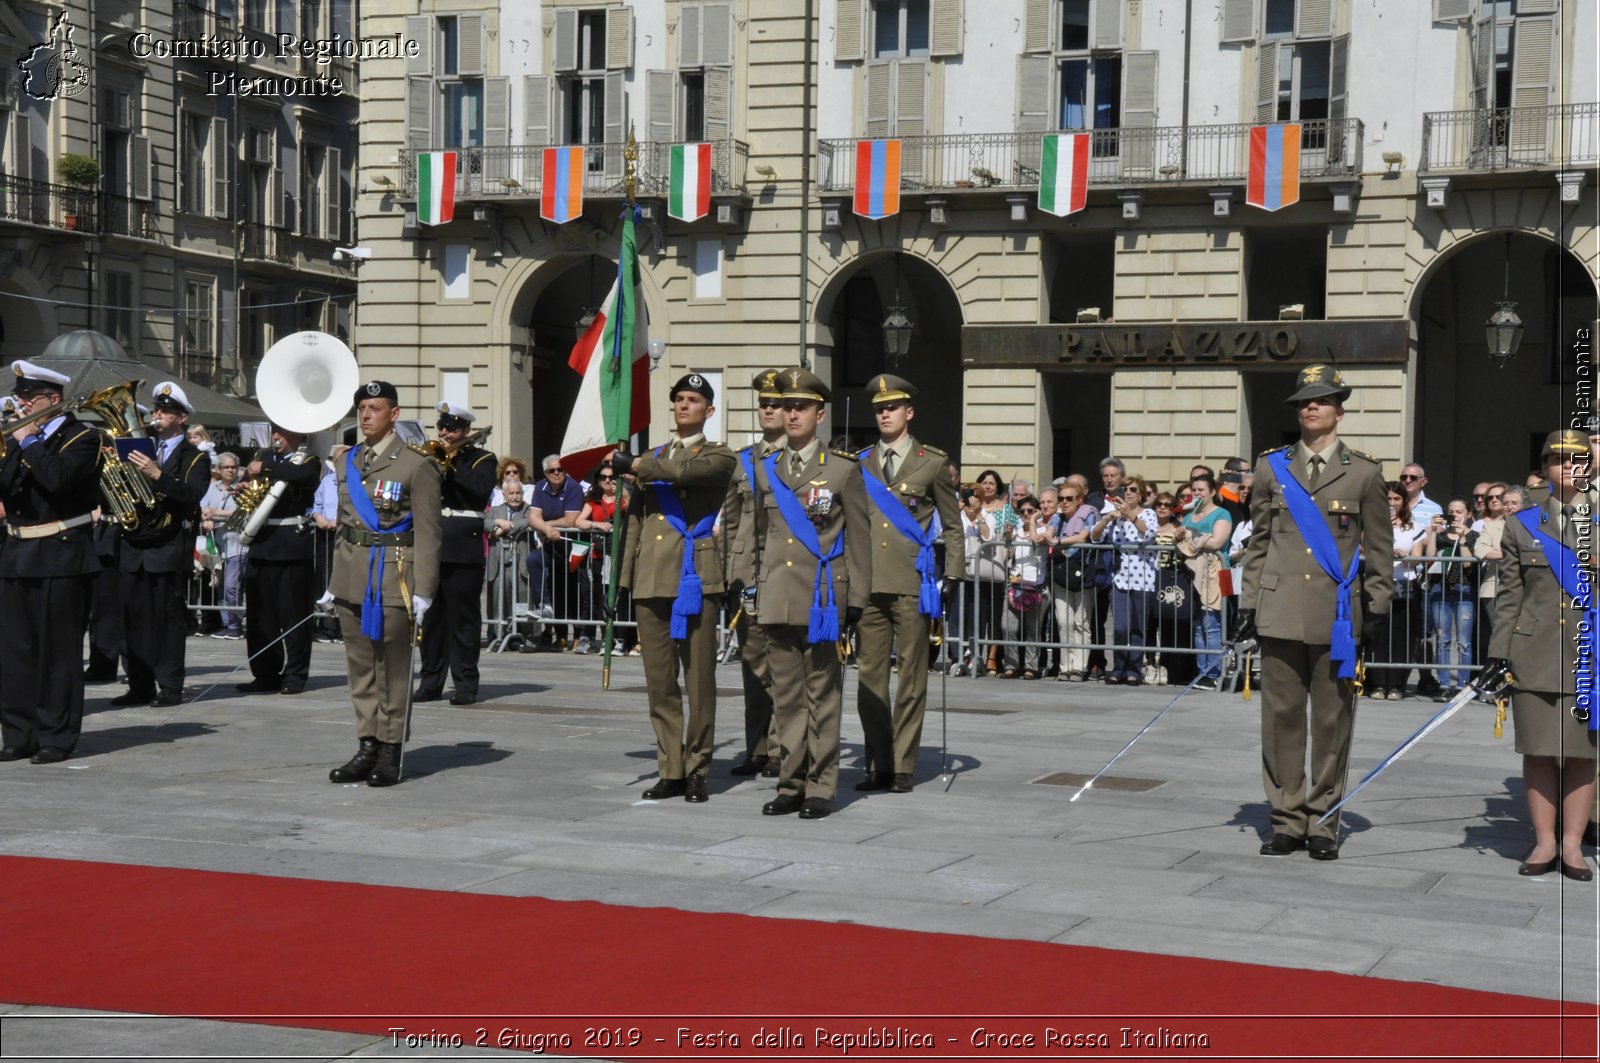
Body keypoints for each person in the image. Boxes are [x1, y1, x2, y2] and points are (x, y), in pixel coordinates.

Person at [1233, 364, 1393, 861]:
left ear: (1339, 411)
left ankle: (1323, 822)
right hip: (1279, 610)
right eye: (1304, 400)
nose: (1311, 406)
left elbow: (1380, 549)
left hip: (1337, 616)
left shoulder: (1364, 472)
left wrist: (1379, 604)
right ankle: (1286, 819)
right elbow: (1258, 542)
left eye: (1321, 400)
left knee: (1332, 722)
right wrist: (1249, 602)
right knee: (1280, 720)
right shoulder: (1271, 467)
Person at [745, 368, 869, 820]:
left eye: (800, 407)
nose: (790, 414)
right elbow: (760, 538)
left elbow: (858, 537)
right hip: (778, 596)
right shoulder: (765, 468)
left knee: (823, 695)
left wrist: (855, 599)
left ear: (820, 413)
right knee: (787, 699)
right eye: (786, 405)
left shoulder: (840, 470)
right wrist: (752, 588)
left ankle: (821, 786)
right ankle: (790, 783)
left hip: (822, 599)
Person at [614, 373, 735, 804]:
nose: (684, 406)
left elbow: (685, 472)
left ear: (710, 410)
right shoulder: (653, 455)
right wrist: (622, 578)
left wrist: (632, 465)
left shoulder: (718, 455)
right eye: (680, 399)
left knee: (699, 680)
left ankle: (699, 765)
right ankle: (672, 768)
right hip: (653, 575)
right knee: (659, 681)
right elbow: (634, 523)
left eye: (694, 400)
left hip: (695, 573)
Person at [1483, 429, 1597, 882]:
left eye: (1577, 459)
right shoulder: (1521, 524)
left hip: (1592, 653)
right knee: (1539, 752)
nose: (1567, 467)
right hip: (1534, 651)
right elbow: (1509, 597)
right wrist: (1498, 654)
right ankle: (1544, 840)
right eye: (1557, 459)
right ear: (1544, 468)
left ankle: (1572, 846)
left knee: (1585, 755)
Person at [327, 381, 442, 788]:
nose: (365, 415)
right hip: (353, 576)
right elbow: (344, 526)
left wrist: (425, 587)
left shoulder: (416, 464)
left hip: (394, 575)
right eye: (361, 408)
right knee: (360, 668)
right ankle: (367, 744)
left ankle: (392, 748)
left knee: (391, 666)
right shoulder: (347, 462)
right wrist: (333, 581)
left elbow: (429, 531)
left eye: (374, 408)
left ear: (393, 414)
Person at [853, 374, 963, 792]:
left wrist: (953, 572)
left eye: (892, 407)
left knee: (912, 678)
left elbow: (953, 526)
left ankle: (901, 765)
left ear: (908, 412)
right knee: (869, 680)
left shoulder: (931, 462)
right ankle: (877, 761)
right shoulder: (859, 462)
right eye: (879, 408)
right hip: (868, 583)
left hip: (913, 583)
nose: (884, 414)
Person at [0, 361, 103, 763]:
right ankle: (19, 732)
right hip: (16, 555)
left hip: (62, 554)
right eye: (20, 397)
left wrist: (28, 441)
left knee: (58, 654)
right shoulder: (21, 440)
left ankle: (55, 736)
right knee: (15, 651)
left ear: (53, 400)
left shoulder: (83, 438)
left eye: (29, 397)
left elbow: (57, 479)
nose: (21, 404)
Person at [118, 382, 211, 707]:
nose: (157, 415)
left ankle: (170, 686)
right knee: (134, 619)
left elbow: (191, 496)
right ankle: (138, 685)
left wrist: (158, 474)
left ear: (181, 418)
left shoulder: (196, 458)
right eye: (156, 410)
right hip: (135, 544)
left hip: (169, 547)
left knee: (168, 620)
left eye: (165, 411)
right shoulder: (141, 446)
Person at [719, 368, 788, 777]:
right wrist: (729, 573)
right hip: (747, 575)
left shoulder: (804, 461)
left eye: (775, 404)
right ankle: (757, 747)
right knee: (751, 663)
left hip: (784, 572)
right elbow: (730, 522)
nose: (767, 410)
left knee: (781, 664)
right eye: (763, 403)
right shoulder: (743, 461)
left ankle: (781, 747)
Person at [416, 402, 496, 706]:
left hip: (463, 547)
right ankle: (430, 682)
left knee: (464, 620)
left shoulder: (482, 458)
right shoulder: (432, 456)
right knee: (431, 620)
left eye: (450, 428)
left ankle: (465, 684)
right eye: (442, 427)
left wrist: (450, 465)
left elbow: (480, 490)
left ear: (465, 430)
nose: (444, 433)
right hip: (433, 543)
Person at [236, 426, 321, 696]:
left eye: (282, 433)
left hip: (291, 545)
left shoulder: (308, 460)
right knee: (261, 616)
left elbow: (300, 475)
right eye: (275, 432)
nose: (276, 437)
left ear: (297, 435)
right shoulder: (266, 457)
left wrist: (263, 469)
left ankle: (295, 674)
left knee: (294, 614)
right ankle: (265, 673)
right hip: (262, 543)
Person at [1090, 476, 1157, 685]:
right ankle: (1118, 666)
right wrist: (1107, 519)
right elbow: (1095, 536)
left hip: (1143, 577)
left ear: (1140, 495)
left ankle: (1134, 669)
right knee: (1119, 627)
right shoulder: (1117, 517)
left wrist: (1132, 517)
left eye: (1133, 489)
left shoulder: (1148, 514)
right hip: (1120, 577)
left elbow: (1150, 534)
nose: (1128, 493)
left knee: (1138, 626)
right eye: (1124, 489)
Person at [1367, 481, 1426, 701]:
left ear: (1403, 502)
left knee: (1402, 637)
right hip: (1378, 585)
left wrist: (1406, 556)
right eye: (1388, 499)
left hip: (1404, 585)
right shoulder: (1374, 524)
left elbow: (1418, 558)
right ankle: (1379, 683)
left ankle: (1397, 684)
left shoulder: (1413, 526)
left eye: (1396, 499)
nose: (1392, 503)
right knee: (1378, 635)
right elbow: (1365, 548)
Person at [1177, 472, 1233, 688]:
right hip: (1192, 573)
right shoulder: (1190, 516)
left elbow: (1217, 542)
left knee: (1212, 624)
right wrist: (1181, 539)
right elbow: (1182, 544)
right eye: (1194, 490)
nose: (1197, 494)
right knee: (1198, 625)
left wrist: (1188, 539)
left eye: (1201, 490)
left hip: (1215, 572)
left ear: (1212, 492)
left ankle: (1215, 673)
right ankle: (1203, 672)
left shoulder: (1222, 514)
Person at [1422, 496, 1477, 701]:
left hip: (1464, 589)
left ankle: (1462, 684)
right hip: (1440, 588)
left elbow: (1467, 564)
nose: (1454, 516)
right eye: (1451, 512)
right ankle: (1444, 684)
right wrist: (1434, 532)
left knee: (1464, 642)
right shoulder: (1441, 535)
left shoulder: (1473, 536)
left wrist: (1462, 537)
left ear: (1468, 514)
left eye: (1459, 512)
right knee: (1442, 639)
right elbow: (1430, 557)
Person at [525, 453, 583, 639]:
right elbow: (532, 517)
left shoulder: (573, 488)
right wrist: (547, 529)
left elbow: (570, 520)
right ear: (545, 473)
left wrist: (546, 526)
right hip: (551, 545)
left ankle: (581, 634)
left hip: (572, 547)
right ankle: (544, 606)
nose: (557, 473)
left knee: (573, 591)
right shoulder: (540, 487)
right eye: (552, 470)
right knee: (534, 560)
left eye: (561, 469)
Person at [572, 461, 622, 654]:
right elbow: (579, 522)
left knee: (618, 596)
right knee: (601, 597)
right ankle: (605, 638)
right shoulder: (593, 501)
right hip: (599, 554)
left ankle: (619, 638)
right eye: (604, 477)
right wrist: (599, 525)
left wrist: (623, 493)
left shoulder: (622, 498)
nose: (608, 481)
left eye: (611, 477)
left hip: (619, 554)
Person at [1049, 479, 1096, 681]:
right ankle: (1065, 665)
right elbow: (1047, 533)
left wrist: (1059, 541)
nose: (1064, 502)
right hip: (1061, 572)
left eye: (1070, 498)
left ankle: (1080, 666)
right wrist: (1039, 527)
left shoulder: (1089, 512)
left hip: (1083, 571)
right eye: (1061, 498)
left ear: (1079, 500)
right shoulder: (1057, 517)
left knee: (1081, 621)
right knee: (1063, 620)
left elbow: (1084, 537)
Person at [1000, 494, 1050, 680]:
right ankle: (1011, 664)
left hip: (1036, 585)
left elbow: (1038, 541)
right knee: (1008, 627)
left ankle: (1031, 666)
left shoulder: (1044, 529)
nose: (1026, 514)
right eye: (1022, 511)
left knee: (1033, 629)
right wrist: (1007, 535)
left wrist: (1035, 522)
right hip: (1015, 583)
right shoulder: (1015, 532)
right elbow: (1006, 549)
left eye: (1030, 511)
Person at [485, 479, 536, 646]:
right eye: (511, 493)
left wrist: (507, 526)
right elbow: (484, 523)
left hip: (519, 562)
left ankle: (523, 635)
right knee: (499, 600)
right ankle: (500, 635)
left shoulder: (528, 509)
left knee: (522, 599)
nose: (515, 497)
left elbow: (529, 521)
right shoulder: (495, 510)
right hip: (499, 563)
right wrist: (496, 523)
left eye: (518, 493)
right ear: (504, 495)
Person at [200, 451, 244, 640]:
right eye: (226, 467)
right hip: (217, 543)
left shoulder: (243, 488)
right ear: (219, 469)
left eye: (233, 467)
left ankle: (235, 625)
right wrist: (205, 519)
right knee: (219, 584)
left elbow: (241, 511)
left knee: (232, 586)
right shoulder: (213, 487)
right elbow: (203, 507)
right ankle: (226, 624)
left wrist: (215, 512)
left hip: (237, 543)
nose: (230, 470)